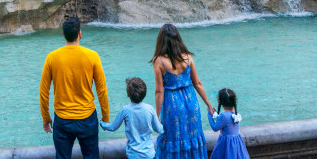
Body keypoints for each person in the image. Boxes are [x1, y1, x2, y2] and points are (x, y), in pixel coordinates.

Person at [40, 16, 109, 159]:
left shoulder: (51, 57)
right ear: (80, 34)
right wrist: (106, 116)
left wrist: (46, 117)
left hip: (62, 119)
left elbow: (44, 92)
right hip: (87, 119)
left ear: (63, 34)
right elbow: (102, 90)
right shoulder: (93, 56)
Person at [151, 23, 213, 159]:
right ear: (178, 38)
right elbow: (197, 83)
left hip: (172, 107)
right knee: (193, 137)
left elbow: (159, 91)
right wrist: (209, 105)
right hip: (191, 103)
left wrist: (156, 116)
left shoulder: (159, 61)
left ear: (161, 40)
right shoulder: (188, 57)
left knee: (173, 139)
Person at [100, 77, 163, 159]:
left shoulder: (125, 110)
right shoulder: (150, 109)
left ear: (128, 94)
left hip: (133, 155)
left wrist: (102, 123)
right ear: (145, 94)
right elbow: (159, 129)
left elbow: (112, 127)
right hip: (149, 154)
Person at [207, 88, 250, 159]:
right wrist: (215, 114)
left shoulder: (224, 116)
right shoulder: (236, 114)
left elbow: (215, 128)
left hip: (226, 145)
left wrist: (209, 114)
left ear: (219, 101)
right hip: (237, 143)